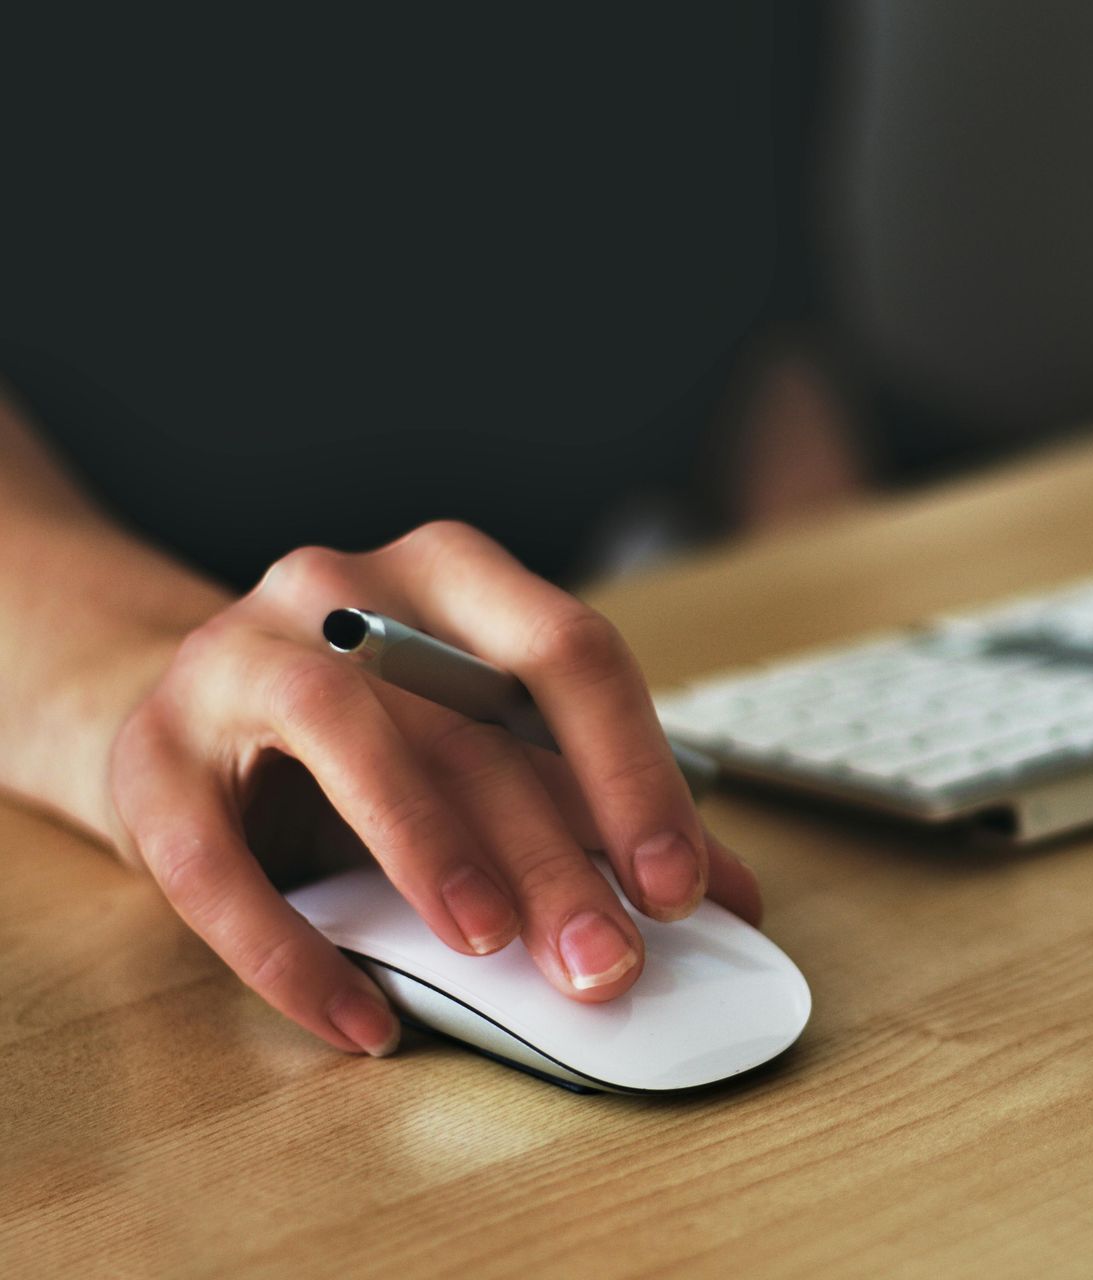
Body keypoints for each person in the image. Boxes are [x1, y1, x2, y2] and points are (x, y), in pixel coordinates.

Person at [0, 7, 853, 1059]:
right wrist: (142, 685)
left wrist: (850, 633)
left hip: (561, 667)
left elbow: (768, 322)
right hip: (147, 608)